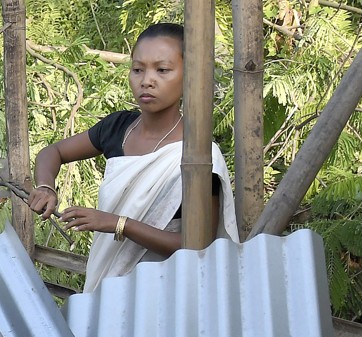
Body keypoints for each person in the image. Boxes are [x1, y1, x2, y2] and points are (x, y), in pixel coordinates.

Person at [29, 23, 238, 292]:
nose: (147, 80)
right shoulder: (118, 128)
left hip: (167, 295)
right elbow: (52, 153)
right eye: (138, 69)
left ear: (190, 75)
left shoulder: (198, 156)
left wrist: (118, 224)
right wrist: (46, 187)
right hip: (109, 291)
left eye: (162, 70)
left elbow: (197, 245)